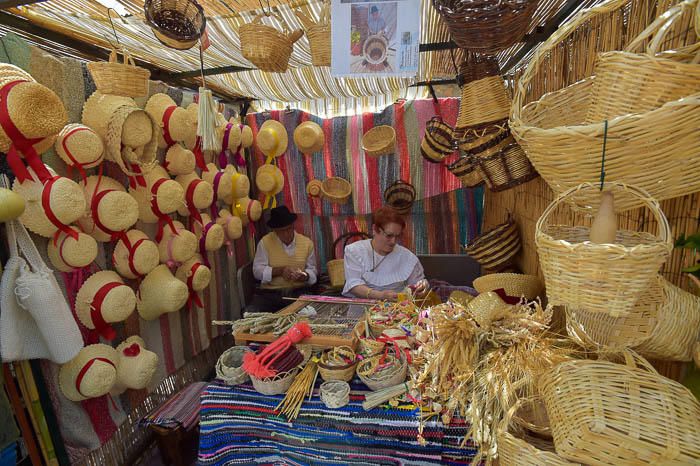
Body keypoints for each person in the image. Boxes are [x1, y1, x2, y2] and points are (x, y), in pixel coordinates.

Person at [343, 206, 428, 300]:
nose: (393, 241)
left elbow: (417, 284)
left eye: (397, 236)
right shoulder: (355, 251)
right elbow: (353, 284)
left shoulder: (407, 257)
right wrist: (380, 295)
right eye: (389, 235)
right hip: (360, 310)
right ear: (375, 229)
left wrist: (422, 285)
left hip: (397, 311)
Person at [252, 206, 317, 312]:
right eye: (282, 231)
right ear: (275, 231)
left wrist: (303, 276)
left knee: (310, 312)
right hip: (271, 294)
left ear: (293, 226)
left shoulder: (307, 243)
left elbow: (313, 271)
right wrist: (280, 271)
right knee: (251, 313)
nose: (286, 233)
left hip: (298, 293)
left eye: (289, 229)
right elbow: (257, 271)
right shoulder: (265, 242)